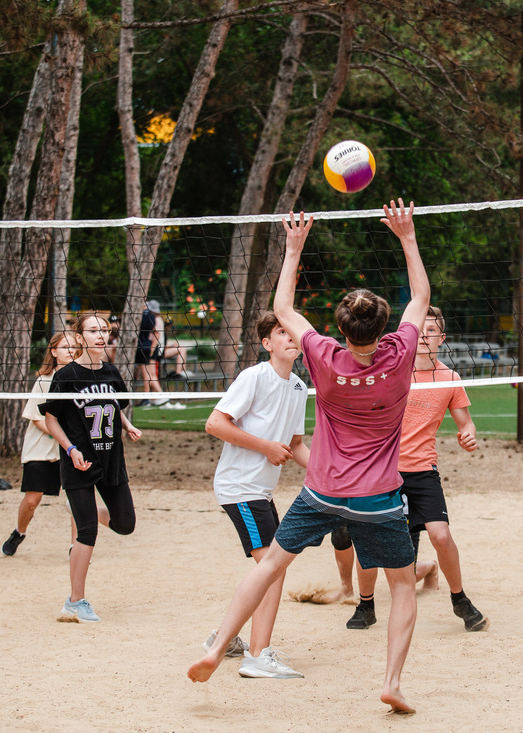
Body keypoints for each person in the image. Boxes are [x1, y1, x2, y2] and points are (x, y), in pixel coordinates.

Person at [188, 199, 429, 714]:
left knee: (271, 563)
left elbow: (283, 310)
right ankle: (391, 682)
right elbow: (421, 299)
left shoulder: (321, 355)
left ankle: (215, 647)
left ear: (341, 330)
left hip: (321, 489)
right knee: (403, 585)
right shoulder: (401, 353)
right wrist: (406, 237)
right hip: (377, 498)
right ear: (383, 330)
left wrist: (294, 246)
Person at [347, 305, 488, 633]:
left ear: (442, 338)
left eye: (431, 332)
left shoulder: (450, 378)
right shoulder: (391, 371)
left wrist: (468, 435)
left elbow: (467, 424)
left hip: (423, 469)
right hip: (383, 470)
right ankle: (365, 605)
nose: (425, 337)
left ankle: (460, 600)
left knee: (440, 535)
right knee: (371, 540)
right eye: (419, 331)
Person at [202, 311, 310, 679]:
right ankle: (257, 656)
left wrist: (332, 476)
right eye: (283, 332)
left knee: (272, 568)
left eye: (293, 330)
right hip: (239, 487)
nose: (291, 337)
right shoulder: (254, 377)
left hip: (260, 490)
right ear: (267, 344)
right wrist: (265, 447)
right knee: (274, 570)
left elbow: (295, 445)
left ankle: (227, 638)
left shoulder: (298, 387)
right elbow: (215, 423)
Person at [40, 312, 142, 622]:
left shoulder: (111, 372)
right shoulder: (67, 375)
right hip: (79, 463)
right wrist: (69, 449)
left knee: (125, 524)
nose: (100, 335)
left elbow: (113, 405)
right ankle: (76, 601)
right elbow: (51, 418)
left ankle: (85, 511)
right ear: (81, 337)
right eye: (93, 330)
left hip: (112, 459)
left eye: (104, 330)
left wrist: (127, 425)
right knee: (86, 533)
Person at [1, 331, 89, 557]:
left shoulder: (81, 380)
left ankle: (75, 546)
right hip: (42, 448)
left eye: (73, 347)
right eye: (64, 347)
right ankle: (19, 532)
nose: (69, 351)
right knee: (32, 499)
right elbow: (37, 418)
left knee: (75, 499)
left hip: (70, 451)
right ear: (53, 352)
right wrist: (60, 436)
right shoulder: (44, 381)